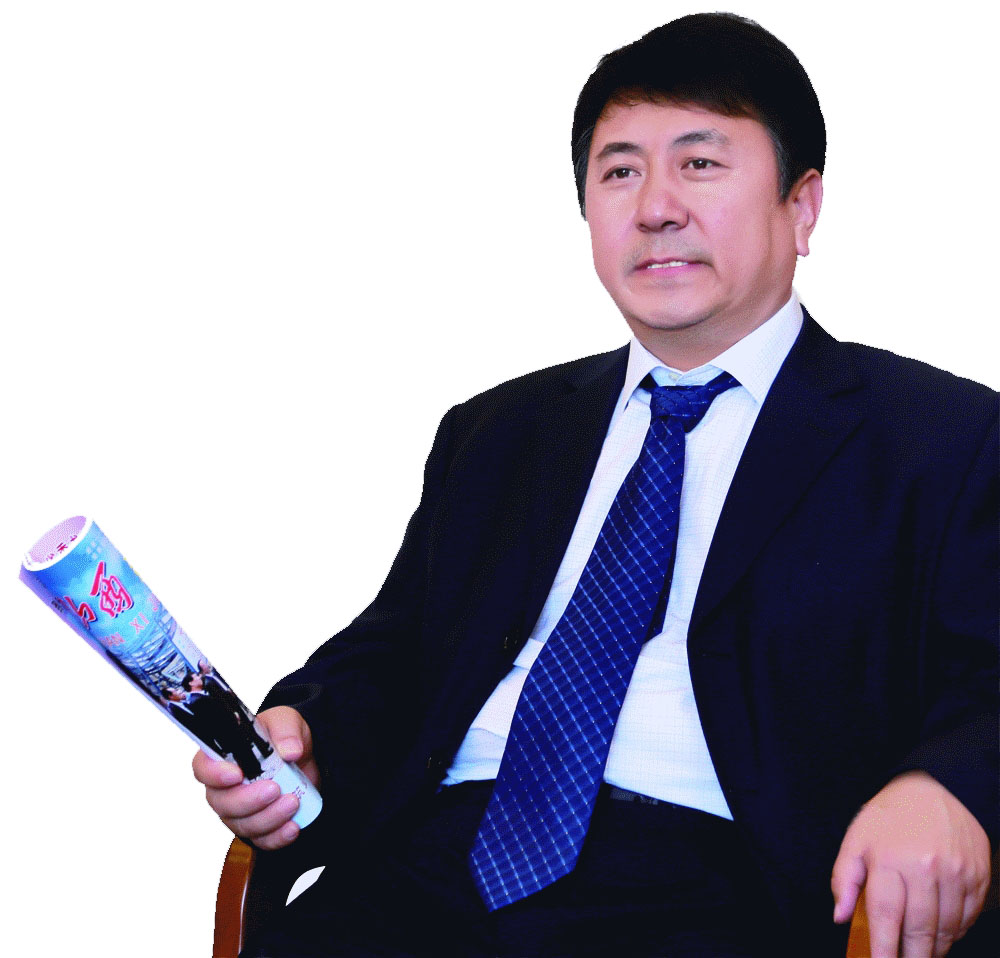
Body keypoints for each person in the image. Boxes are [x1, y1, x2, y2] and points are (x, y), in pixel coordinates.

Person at [193, 13, 998, 956]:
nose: (655, 207)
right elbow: (392, 658)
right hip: (432, 867)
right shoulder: (498, 431)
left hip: (726, 883)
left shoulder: (943, 438)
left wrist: (946, 787)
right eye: (619, 172)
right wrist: (304, 734)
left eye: (700, 163)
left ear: (803, 205)